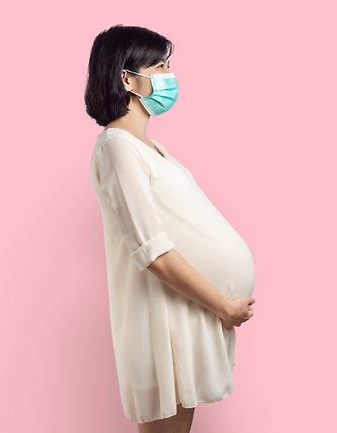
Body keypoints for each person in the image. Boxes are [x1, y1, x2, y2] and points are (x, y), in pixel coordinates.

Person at [84, 24, 256, 431]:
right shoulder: (116, 147)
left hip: (183, 316)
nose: (169, 75)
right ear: (128, 79)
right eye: (160, 67)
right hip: (161, 322)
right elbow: (153, 251)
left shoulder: (151, 148)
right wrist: (223, 305)